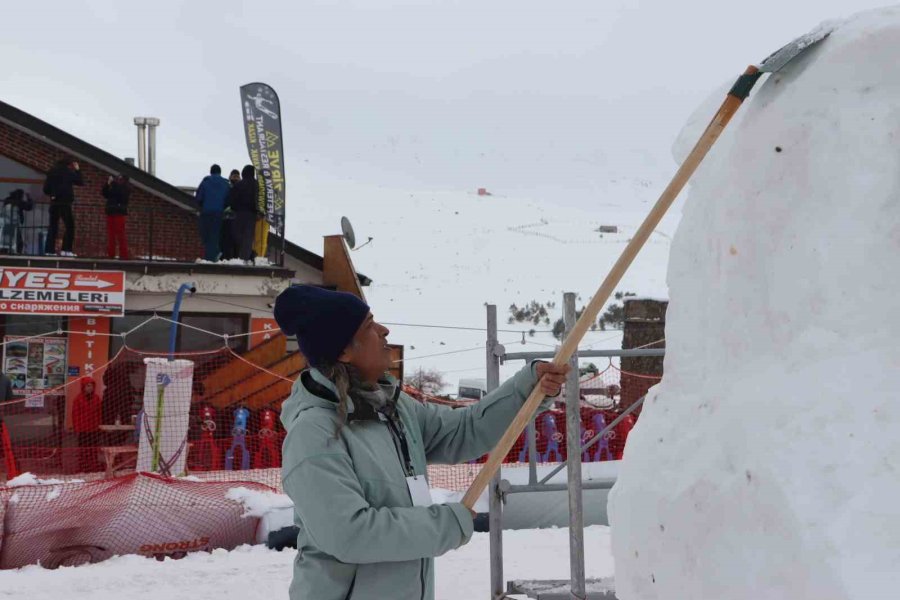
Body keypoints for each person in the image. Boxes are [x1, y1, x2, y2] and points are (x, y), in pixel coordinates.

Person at [273, 285, 568, 600]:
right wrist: (446, 523)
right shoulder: (314, 434)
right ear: (344, 350)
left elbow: (461, 431)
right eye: (369, 326)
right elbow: (350, 534)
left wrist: (527, 389)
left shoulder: (392, 407)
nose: (384, 331)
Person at [43, 157, 84, 256]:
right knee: (70, 226)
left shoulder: (52, 172)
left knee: (53, 226)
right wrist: (78, 170)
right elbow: (80, 182)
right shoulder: (68, 172)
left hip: (55, 202)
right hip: (65, 202)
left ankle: (49, 250)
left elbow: (46, 189)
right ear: (69, 165)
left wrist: (53, 194)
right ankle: (66, 250)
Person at [195, 164, 231, 262]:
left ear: (211, 172)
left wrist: (201, 207)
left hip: (206, 212)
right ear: (220, 172)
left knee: (205, 235)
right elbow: (229, 200)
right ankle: (213, 256)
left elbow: (198, 197)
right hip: (218, 213)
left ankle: (209, 257)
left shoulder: (205, 182)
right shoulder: (225, 183)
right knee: (215, 235)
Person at [226, 164, 259, 262]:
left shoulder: (238, 185)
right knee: (248, 237)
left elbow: (232, 201)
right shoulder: (257, 185)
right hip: (252, 215)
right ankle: (245, 258)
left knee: (237, 236)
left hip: (239, 214)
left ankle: (237, 257)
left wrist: (235, 209)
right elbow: (260, 200)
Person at [72, 375, 102, 472]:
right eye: (88, 386)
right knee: (84, 450)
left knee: (93, 450)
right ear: (83, 387)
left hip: (93, 429)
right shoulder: (78, 399)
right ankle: (83, 467)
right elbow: (75, 414)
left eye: (91, 385)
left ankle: (93, 466)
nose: (90, 388)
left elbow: (99, 413)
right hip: (83, 429)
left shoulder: (96, 398)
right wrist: (77, 428)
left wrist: (98, 425)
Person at [101, 174, 130, 259]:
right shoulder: (114, 187)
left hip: (119, 213)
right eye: (118, 179)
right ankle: (111, 254)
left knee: (121, 234)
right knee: (111, 235)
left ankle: (123, 255)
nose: (118, 180)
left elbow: (120, 193)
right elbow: (105, 193)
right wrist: (107, 184)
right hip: (111, 211)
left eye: (120, 179)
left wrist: (113, 183)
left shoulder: (126, 188)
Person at [1, 189, 34, 254]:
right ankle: (19, 252)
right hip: (15, 224)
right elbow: (29, 207)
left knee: (5, 239)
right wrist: (29, 198)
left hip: (5, 224)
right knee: (19, 240)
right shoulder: (18, 202)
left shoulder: (7, 201)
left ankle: (4, 251)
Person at [219, 169, 241, 261]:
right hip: (234, 218)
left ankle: (228, 257)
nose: (235, 178)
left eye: (236, 176)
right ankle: (233, 257)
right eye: (234, 176)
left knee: (227, 239)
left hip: (229, 217)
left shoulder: (227, 187)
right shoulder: (240, 187)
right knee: (232, 239)